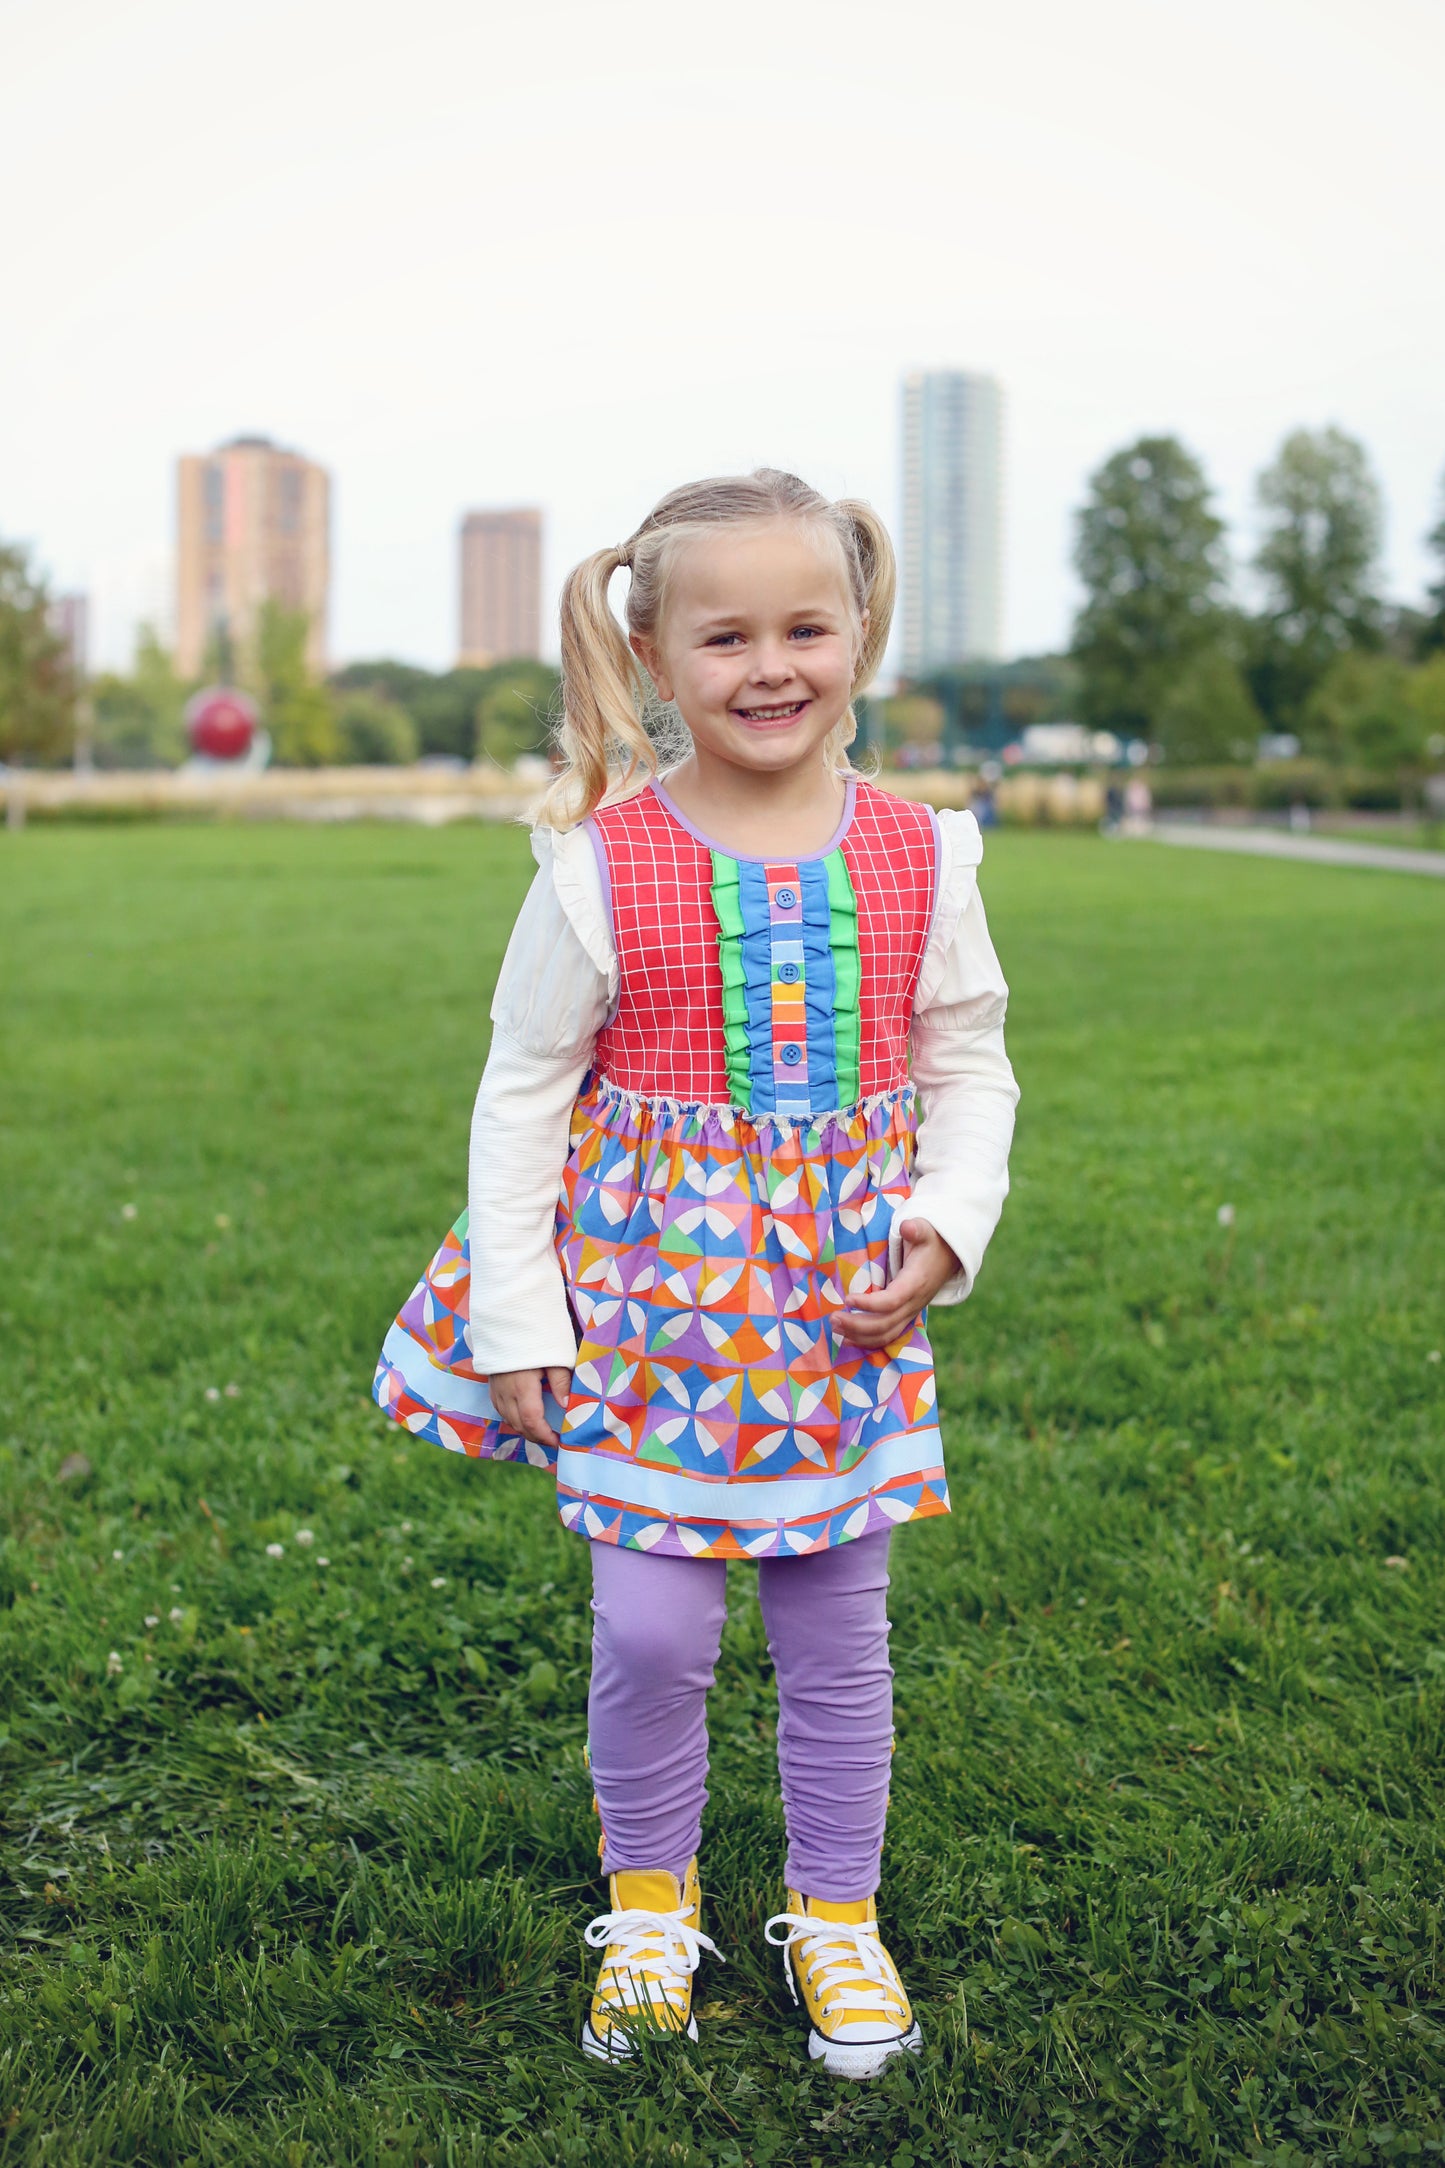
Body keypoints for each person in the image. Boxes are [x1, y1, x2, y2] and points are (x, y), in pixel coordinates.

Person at [374, 469, 1019, 2080]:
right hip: (643, 1321)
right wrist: (517, 1313)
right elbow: (521, 1094)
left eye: (805, 627)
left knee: (836, 1639)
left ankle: (836, 1912)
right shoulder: (596, 863)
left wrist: (946, 1223)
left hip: (835, 1322)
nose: (770, 666)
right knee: (654, 1635)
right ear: (654, 655)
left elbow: (969, 1063)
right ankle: (651, 1905)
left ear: (858, 636)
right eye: (725, 636)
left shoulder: (925, 856)